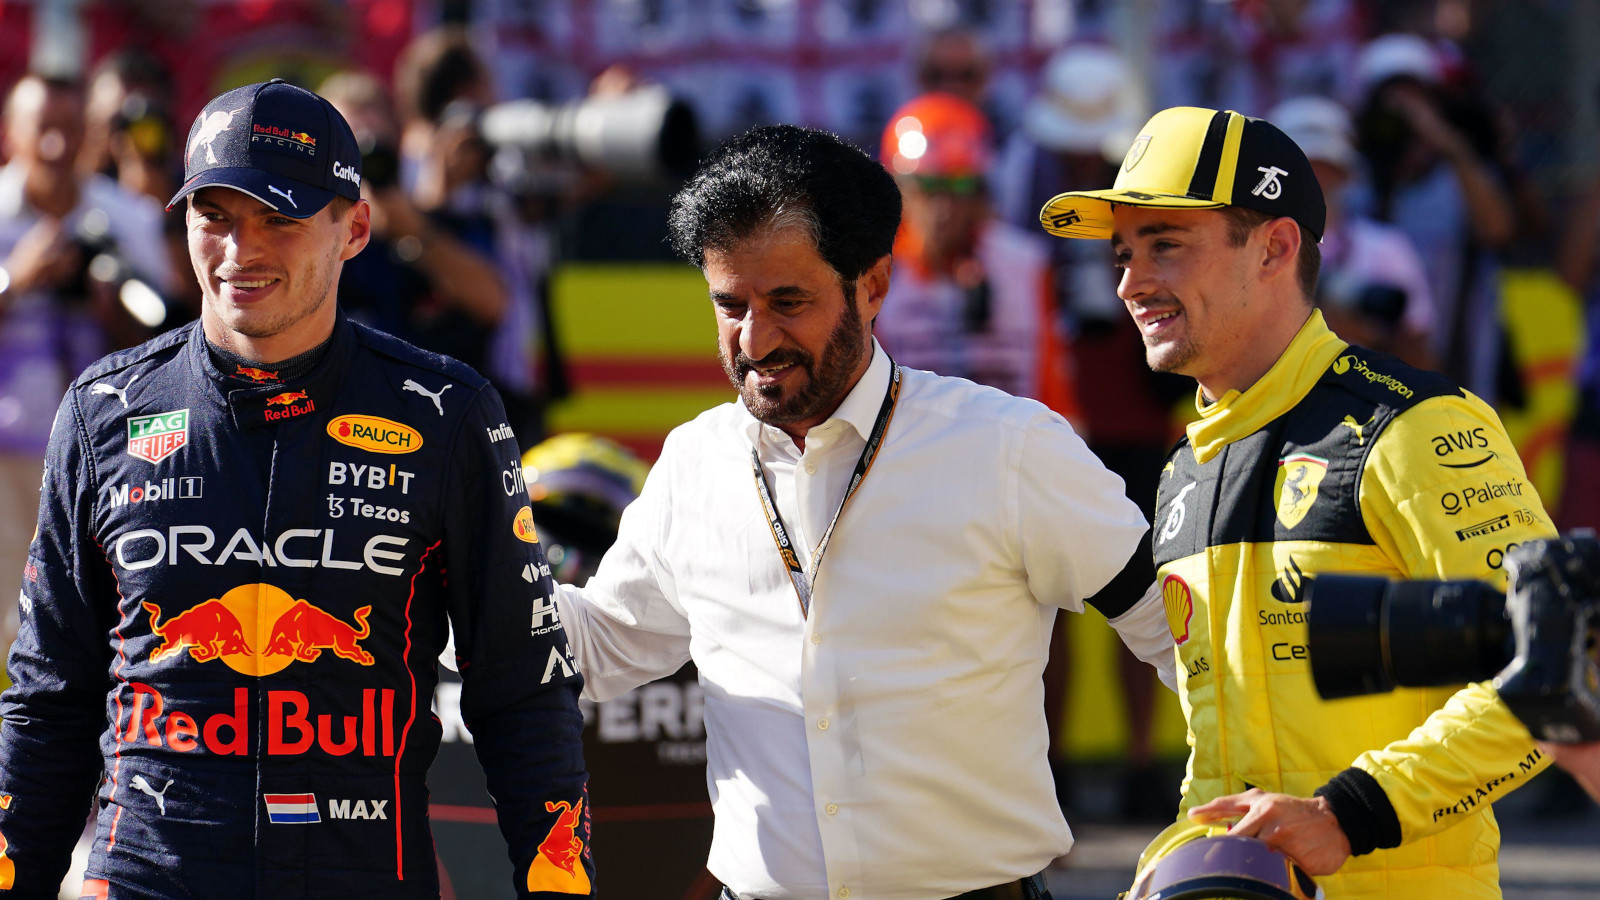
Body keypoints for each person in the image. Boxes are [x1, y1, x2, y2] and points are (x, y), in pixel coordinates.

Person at [0, 79, 592, 898]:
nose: (242, 250)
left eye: (279, 216)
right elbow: (46, 702)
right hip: (149, 877)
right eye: (217, 216)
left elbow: (523, 693)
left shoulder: (448, 415)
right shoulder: (104, 411)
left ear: (354, 229)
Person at [554, 124, 1174, 900]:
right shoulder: (694, 463)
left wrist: (1236, 816)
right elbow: (605, 646)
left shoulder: (1009, 449)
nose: (755, 338)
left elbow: (1179, 633)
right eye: (729, 304)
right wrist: (437, 581)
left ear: (874, 285)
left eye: (788, 302)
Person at [1039, 106, 1557, 899]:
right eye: (1123, 254)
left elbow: (1558, 664)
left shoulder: (1413, 424)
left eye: (1166, 246)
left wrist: (1352, 812)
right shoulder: (1188, 466)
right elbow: (1219, 759)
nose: (1131, 283)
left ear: (1277, 247)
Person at [0, 73, 174, 667]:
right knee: (7, 621)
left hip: (108, 455)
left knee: (98, 626)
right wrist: (15, 281)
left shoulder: (128, 217)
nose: (56, 146)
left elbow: (170, 335)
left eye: (70, 130)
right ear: (11, 133)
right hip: (7, 455)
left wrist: (113, 310)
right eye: (41, 129)